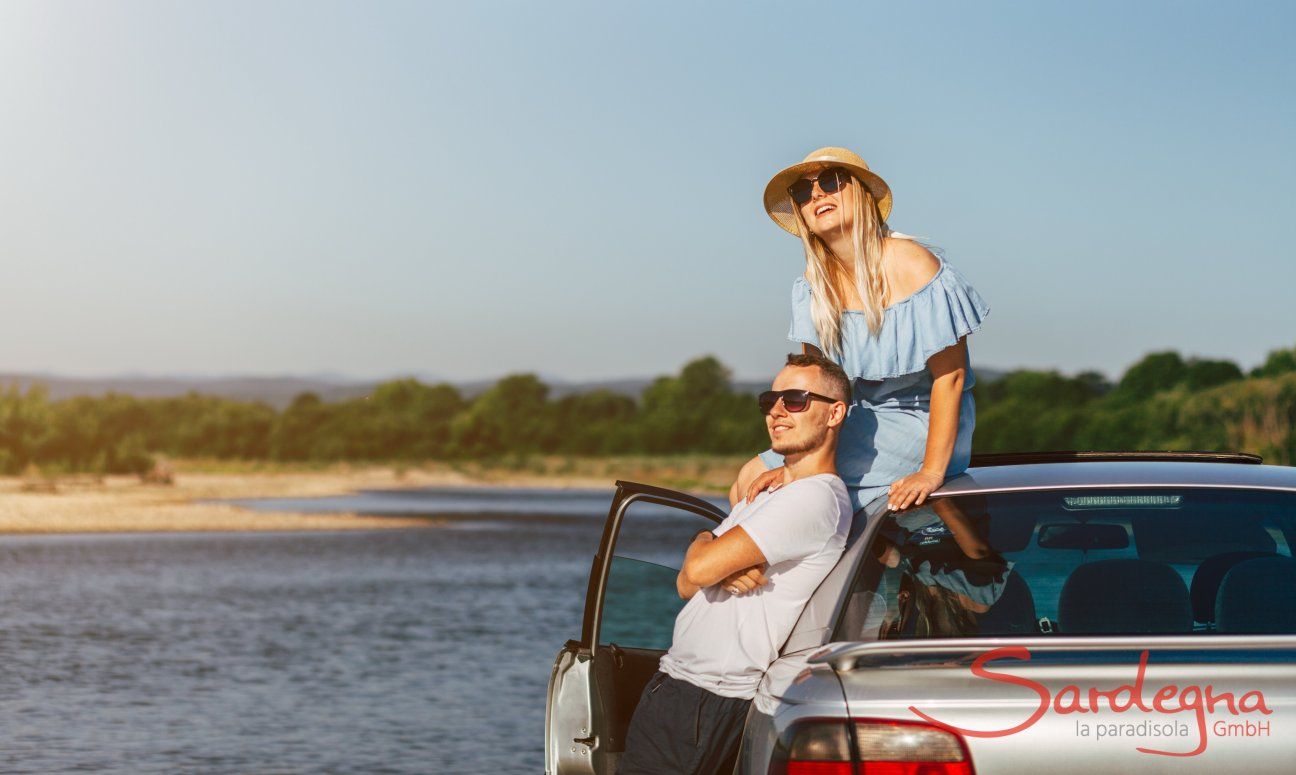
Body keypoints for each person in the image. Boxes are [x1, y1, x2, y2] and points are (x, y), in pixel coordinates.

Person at [618, 353, 855, 775]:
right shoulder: (770, 492)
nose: (777, 411)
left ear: (834, 412)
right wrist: (708, 545)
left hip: (706, 699)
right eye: (771, 400)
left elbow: (699, 571)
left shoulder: (815, 498)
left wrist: (711, 554)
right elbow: (686, 584)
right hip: (680, 688)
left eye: (796, 399)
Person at [732, 147, 990, 515]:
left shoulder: (911, 262)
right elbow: (816, 385)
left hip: (923, 422)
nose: (817, 194)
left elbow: (951, 376)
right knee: (748, 479)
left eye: (830, 182)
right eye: (803, 193)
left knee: (791, 494)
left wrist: (931, 472)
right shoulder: (812, 285)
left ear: (862, 194)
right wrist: (795, 458)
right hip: (853, 418)